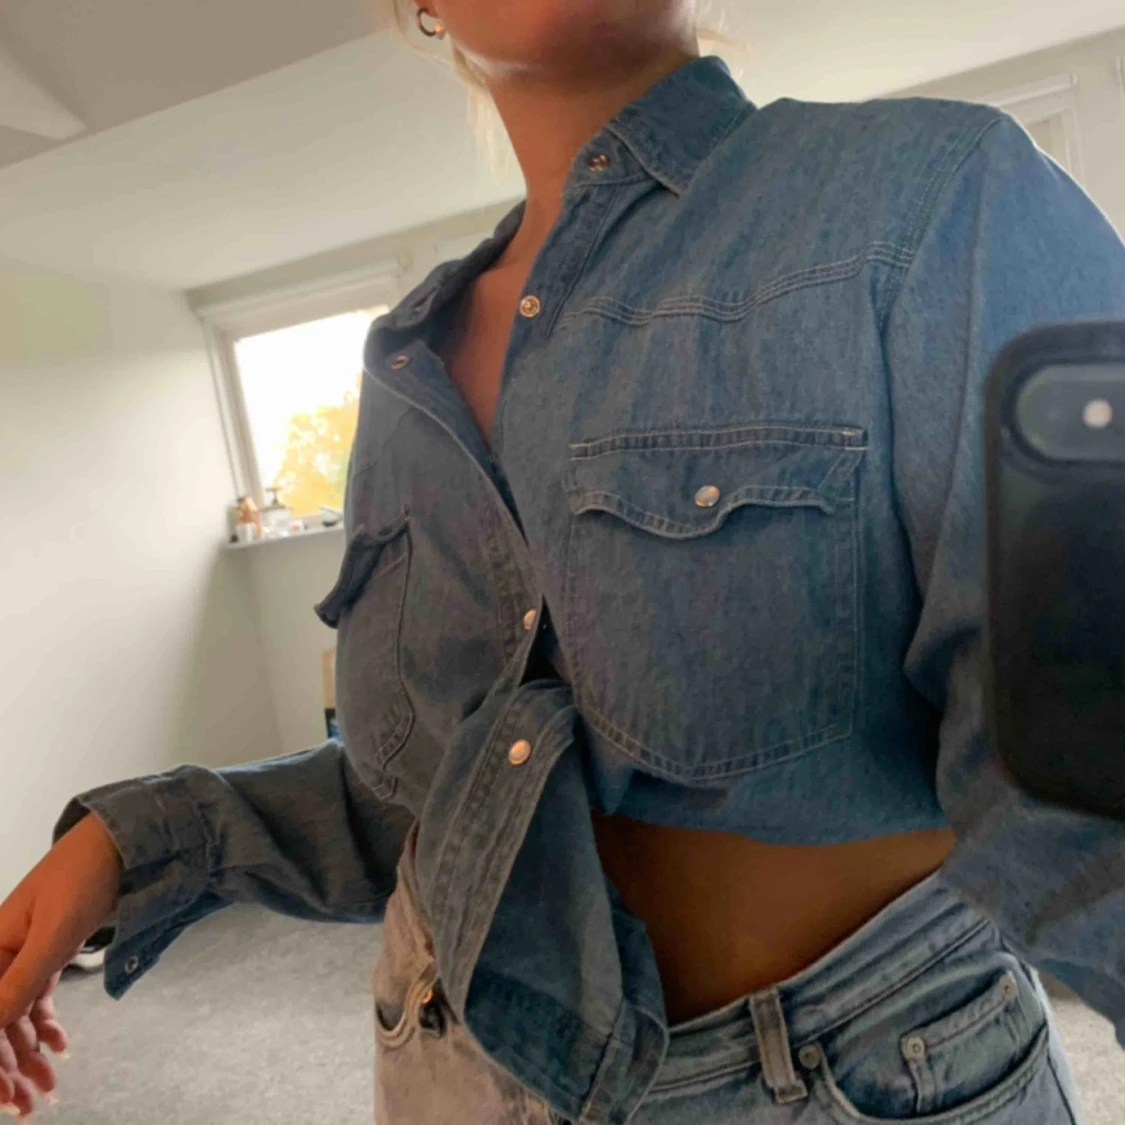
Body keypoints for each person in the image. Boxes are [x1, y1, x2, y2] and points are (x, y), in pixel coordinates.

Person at [2, 2, 1124, 1121]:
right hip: (445, 1068)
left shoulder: (940, 196)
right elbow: (440, 795)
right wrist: (126, 843)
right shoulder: (405, 373)